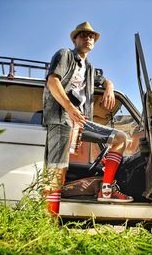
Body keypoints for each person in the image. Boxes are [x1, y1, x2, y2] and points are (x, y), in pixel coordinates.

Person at [43, 21, 133, 215]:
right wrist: (69, 108)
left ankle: (106, 190)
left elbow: (103, 79)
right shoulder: (65, 54)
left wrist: (109, 86)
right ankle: (48, 221)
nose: (88, 38)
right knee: (58, 169)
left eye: (91, 36)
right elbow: (52, 80)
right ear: (75, 39)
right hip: (62, 117)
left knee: (120, 138)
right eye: (83, 35)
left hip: (81, 121)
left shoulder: (89, 68)